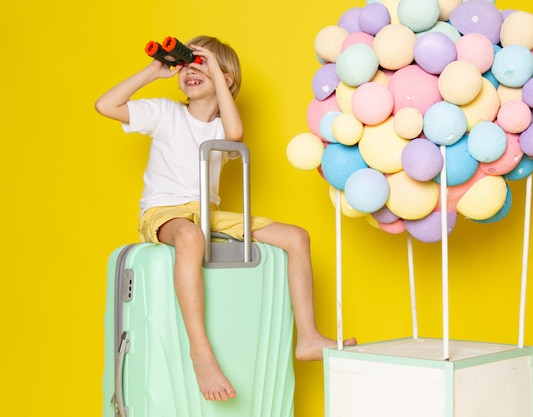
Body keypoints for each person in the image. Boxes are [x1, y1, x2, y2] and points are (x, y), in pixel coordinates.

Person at [95, 35, 356, 402]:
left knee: (297, 237)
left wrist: (216, 72)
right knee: (190, 239)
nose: (190, 70)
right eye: (186, 65)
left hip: (208, 214)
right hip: (165, 211)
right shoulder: (164, 112)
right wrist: (154, 71)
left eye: (201, 64)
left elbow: (235, 134)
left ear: (226, 79)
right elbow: (106, 105)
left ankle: (309, 337)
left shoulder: (221, 126)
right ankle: (200, 350)